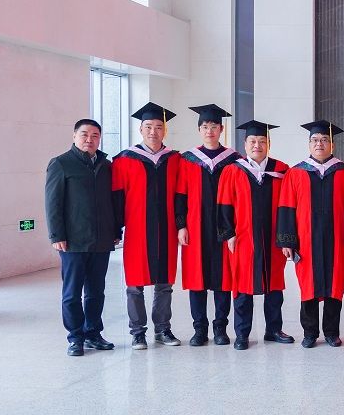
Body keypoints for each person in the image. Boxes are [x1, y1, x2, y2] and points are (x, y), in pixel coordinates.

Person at [277, 120, 344, 348]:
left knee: (335, 286)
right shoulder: (296, 173)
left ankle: (331, 332)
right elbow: (286, 208)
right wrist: (287, 241)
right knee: (308, 286)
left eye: (324, 140)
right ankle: (310, 333)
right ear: (309, 144)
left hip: (336, 239)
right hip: (305, 240)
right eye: (314, 140)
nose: (319, 143)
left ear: (332, 144)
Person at [217, 119, 294, 350]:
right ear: (245, 144)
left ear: (268, 143)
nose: (257, 145)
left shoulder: (282, 170)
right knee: (242, 286)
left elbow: (289, 206)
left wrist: (287, 238)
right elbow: (224, 204)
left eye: (262, 141)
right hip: (243, 238)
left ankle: (274, 330)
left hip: (273, 239)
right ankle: (242, 334)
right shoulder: (233, 170)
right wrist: (228, 234)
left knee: (275, 286)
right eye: (252, 141)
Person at [45, 118, 119, 356]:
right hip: (73, 241)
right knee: (72, 293)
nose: (90, 139)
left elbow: (113, 202)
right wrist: (56, 235)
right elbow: (52, 203)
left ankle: (93, 333)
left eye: (95, 135)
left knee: (96, 292)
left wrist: (115, 230)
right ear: (74, 136)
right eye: (84, 134)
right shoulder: (61, 163)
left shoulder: (106, 165)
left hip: (101, 240)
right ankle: (75, 337)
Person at [112, 102, 182, 349]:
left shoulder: (175, 159)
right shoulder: (124, 160)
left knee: (165, 284)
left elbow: (180, 196)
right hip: (137, 230)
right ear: (140, 129)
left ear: (165, 131)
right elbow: (116, 198)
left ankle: (163, 329)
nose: (153, 131)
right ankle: (137, 332)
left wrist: (181, 225)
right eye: (149, 126)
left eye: (159, 127)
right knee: (135, 285)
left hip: (166, 230)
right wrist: (116, 229)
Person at [175, 103, 239, 346]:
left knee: (224, 279)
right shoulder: (187, 160)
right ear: (199, 130)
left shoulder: (234, 160)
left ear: (221, 129)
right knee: (197, 278)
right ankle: (199, 329)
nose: (209, 131)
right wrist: (181, 225)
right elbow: (180, 195)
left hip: (224, 227)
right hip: (195, 227)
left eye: (213, 126)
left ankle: (220, 328)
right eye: (205, 127)